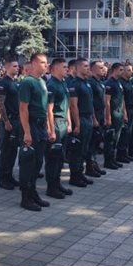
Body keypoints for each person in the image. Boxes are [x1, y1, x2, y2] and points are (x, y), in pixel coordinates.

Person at [18, 52, 50, 211]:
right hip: (32, 125)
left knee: (38, 162)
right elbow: (23, 109)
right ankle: (25, 197)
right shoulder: (28, 82)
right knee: (28, 163)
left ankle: (33, 192)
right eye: (43, 63)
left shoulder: (42, 81)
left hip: (41, 126)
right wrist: (27, 132)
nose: (46, 65)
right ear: (34, 64)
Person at [45, 58, 72, 199]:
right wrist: (51, 129)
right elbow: (48, 110)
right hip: (55, 122)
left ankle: (57, 183)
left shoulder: (63, 83)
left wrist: (69, 123)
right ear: (55, 68)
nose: (67, 69)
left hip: (63, 123)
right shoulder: (51, 85)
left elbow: (67, 104)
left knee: (61, 156)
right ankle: (51, 187)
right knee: (53, 157)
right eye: (64, 67)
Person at [67, 58, 95, 187]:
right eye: (85, 66)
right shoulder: (75, 84)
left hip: (88, 118)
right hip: (81, 118)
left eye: (88, 66)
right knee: (77, 150)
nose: (88, 68)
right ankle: (74, 176)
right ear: (77, 68)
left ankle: (80, 173)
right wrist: (77, 124)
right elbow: (73, 105)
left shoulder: (87, 83)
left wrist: (93, 118)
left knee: (84, 149)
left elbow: (91, 103)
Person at [0, 58, 21, 190]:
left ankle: (10, 175)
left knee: (12, 150)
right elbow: (0, 103)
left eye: (18, 66)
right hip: (9, 120)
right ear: (7, 67)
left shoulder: (16, 82)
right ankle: (3, 178)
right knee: (6, 150)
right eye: (15, 66)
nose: (17, 68)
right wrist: (6, 121)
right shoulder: (3, 83)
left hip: (17, 120)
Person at [104, 63, 126, 170]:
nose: (123, 72)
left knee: (116, 138)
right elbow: (107, 102)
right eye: (121, 70)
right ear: (114, 70)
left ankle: (113, 159)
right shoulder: (109, 83)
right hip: (112, 114)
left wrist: (124, 113)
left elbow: (122, 99)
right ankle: (108, 161)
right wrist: (108, 117)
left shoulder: (118, 82)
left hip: (119, 114)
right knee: (110, 139)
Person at [87, 61, 106, 178]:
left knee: (97, 141)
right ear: (93, 69)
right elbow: (91, 103)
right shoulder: (91, 83)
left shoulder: (100, 82)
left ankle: (94, 164)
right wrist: (94, 119)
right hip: (94, 116)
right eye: (100, 68)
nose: (103, 69)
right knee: (92, 142)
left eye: (103, 67)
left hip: (100, 115)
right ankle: (90, 166)